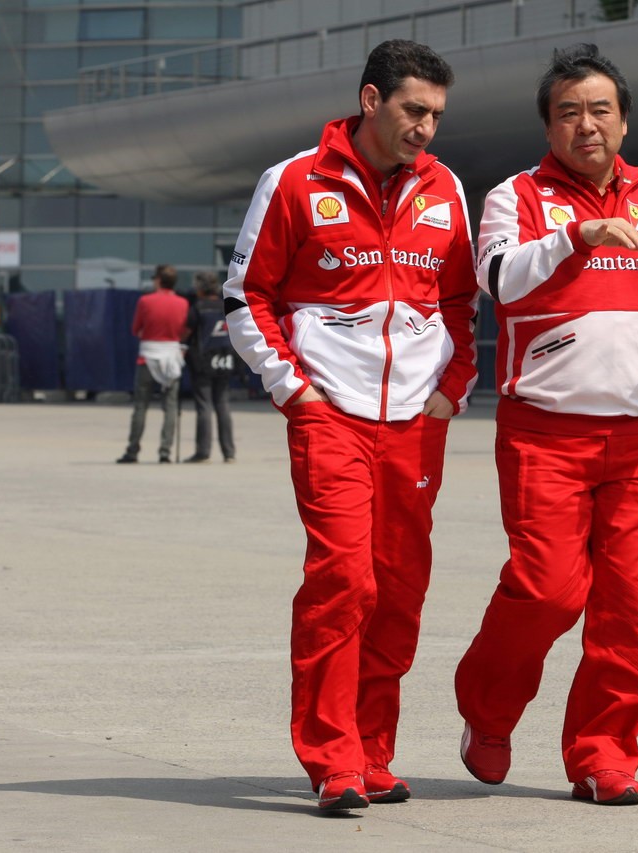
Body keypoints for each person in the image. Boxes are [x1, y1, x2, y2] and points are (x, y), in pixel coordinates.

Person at [455, 44, 638, 807]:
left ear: (624, 120)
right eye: (568, 112)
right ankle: (487, 714)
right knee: (549, 591)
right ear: (548, 125)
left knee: (634, 607)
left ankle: (603, 753)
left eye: (600, 110)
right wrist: (574, 239)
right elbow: (496, 279)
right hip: (545, 431)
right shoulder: (515, 196)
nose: (586, 124)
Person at [221, 40, 478, 811]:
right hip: (329, 414)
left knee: (399, 589)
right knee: (345, 578)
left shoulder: (446, 189)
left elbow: (462, 302)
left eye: (436, 114)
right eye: (412, 110)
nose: (425, 127)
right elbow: (246, 298)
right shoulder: (295, 181)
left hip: (416, 423)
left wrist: (452, 388)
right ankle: (331, 757)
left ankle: (372, 751)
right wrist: (293, 390)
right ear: (371, 101)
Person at [116, 264, 188, 464]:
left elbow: (135, 328)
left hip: (147, 357)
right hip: (171, 356)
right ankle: (165, 451)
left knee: (141, 405)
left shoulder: (145, 301)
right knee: (171, 407)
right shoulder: (182, 303)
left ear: (157, 280)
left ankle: (133, 450)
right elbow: (182, 331)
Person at [182, 271, 236, 464]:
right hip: (224, 359)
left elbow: (187, 331)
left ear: (200, 287)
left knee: (204, 405)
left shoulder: (199, 307)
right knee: (223, 404)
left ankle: (203, 452)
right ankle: (229, 452)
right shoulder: (225, 306)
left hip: (203, 361)